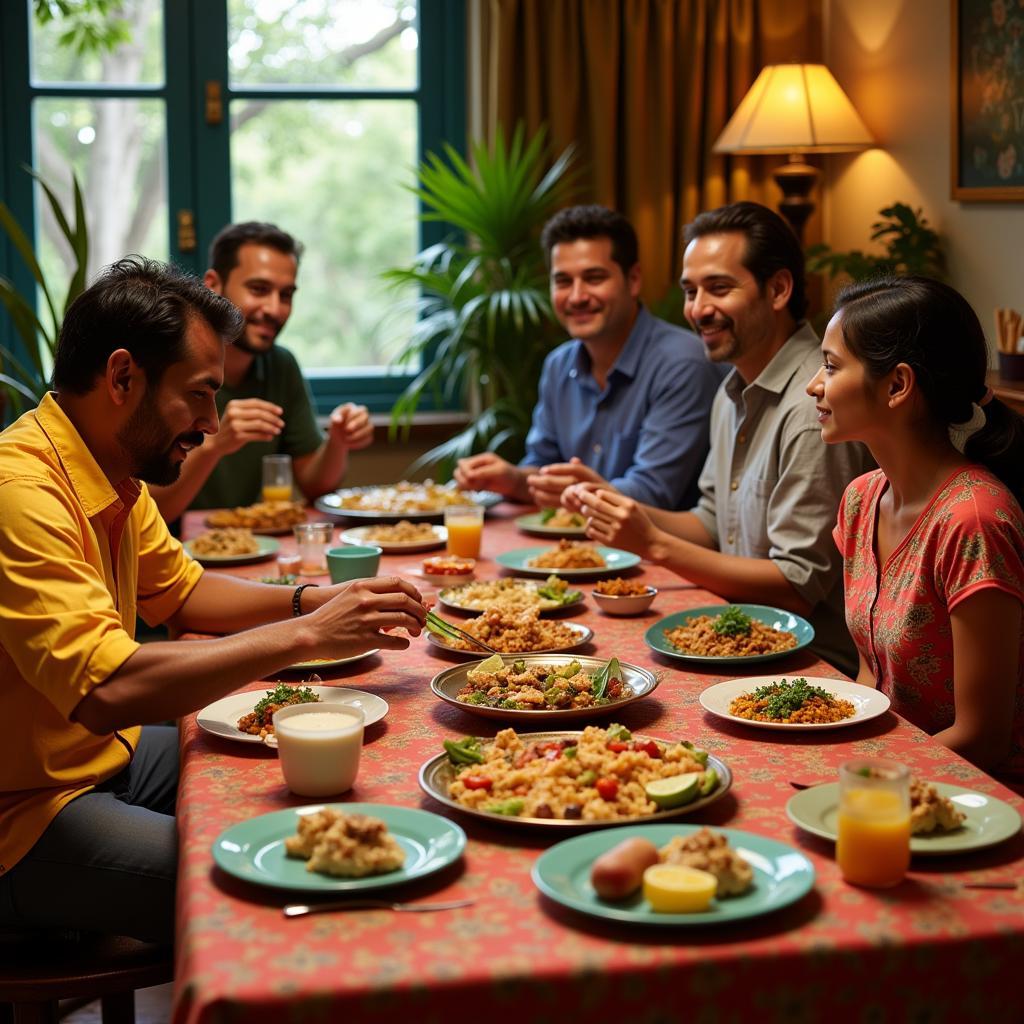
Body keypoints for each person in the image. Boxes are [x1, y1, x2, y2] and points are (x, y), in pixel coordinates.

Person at [0, 257, 426, 944]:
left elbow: (186, 591)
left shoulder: (106, 466)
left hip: (96, 757)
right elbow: (107, 687)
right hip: (25, 818)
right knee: (277, 890)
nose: (210, 422)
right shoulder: (19, 490)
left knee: (323, 767)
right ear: (121, 377)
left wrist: (316, 595)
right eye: (199, 395)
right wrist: (309, 635)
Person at [565, 201, 872, 674]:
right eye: (690, 291)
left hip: (809, 665)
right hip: (738, 636)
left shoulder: (815, 405)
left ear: (779, 289)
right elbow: (711, 523)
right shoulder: (732, 389)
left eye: (719, 288)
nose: (698, 309)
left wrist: (654, 545)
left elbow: (795, 585)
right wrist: (611, 502)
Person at [807, 276, 1024, 776]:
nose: (813, 384)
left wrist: (857, 778)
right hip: (883, 768)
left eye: (831, 366)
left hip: (968, 798)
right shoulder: (861, 500)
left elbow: (983, 737)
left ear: (898, 385)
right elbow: (871, 678)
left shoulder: (974, 522)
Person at [454, 204, 725, 510]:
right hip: (579, 548)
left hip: (658, 554)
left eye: (594, 278)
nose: (577, 296)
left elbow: (653, 494)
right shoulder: (559, 365)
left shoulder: (682, 364)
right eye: (563, 281)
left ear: (633, 280)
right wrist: (514, 480)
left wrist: (572, 491)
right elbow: (544, 466)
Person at [149, 222, 373, 520]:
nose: (275, 309)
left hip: (252, 549)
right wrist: (214, 445)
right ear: (213, 285)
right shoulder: (164, 365)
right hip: (169, 553)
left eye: (286, 295)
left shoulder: (281, 366)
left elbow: (315, 486)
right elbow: (145, 514)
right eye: (259, 289)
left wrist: (338, 442)